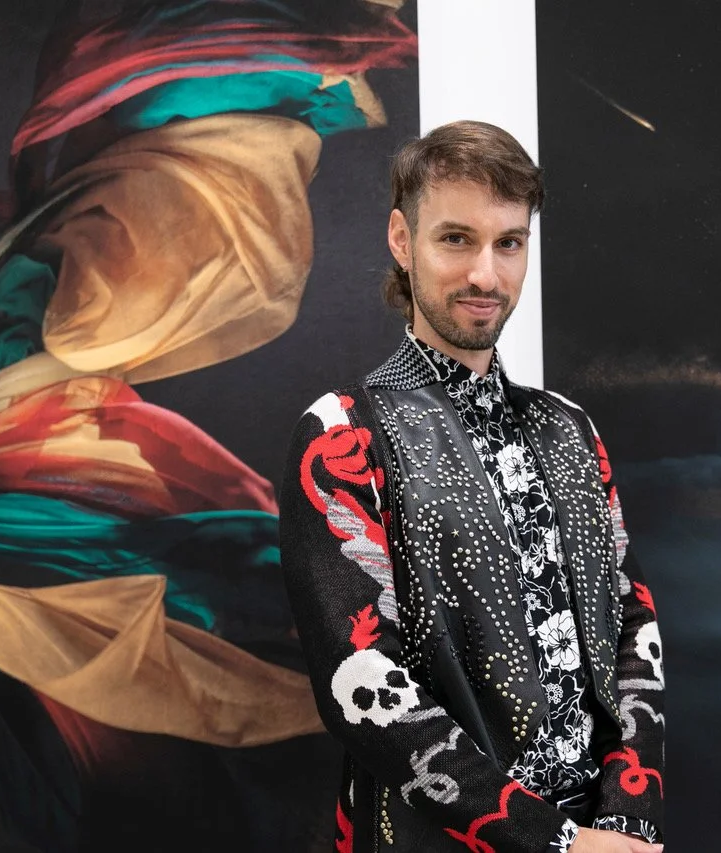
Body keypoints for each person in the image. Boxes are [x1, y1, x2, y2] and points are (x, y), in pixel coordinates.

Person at [280, 121, 665, 853]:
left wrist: (628, 820)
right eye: (456, 239)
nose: (486, 275)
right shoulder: (343, 435)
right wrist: (557, 844)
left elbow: (633, 627)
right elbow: (362, 685)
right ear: (402, 240)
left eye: (509, 243)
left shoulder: (571, 429)